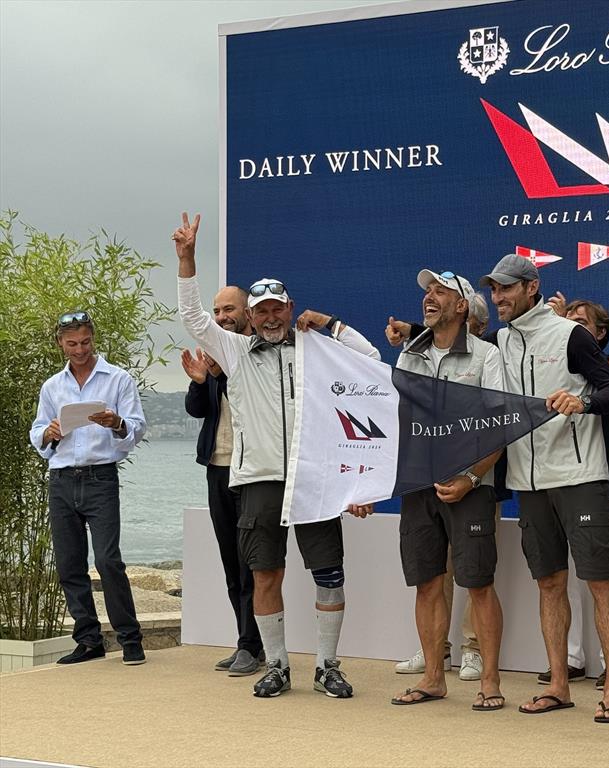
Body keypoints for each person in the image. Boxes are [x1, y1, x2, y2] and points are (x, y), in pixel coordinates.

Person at [174, 212, 379, 700]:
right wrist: (186, 259)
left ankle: (329, 666)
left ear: (290, 309)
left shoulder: (315, 348)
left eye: (277, 309)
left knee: (329, 575)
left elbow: (370, 360)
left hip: (314, 481)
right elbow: (192, 318)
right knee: (266, 574)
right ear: (251, 316)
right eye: (261, 310)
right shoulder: (236, 351)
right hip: (260, 481)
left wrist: (330, 323)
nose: (269, 317)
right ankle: (279, 666)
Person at [479, 254, 609, 722]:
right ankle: (559, 685)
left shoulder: (570, 334)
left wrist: (580, 400)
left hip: (580, 476)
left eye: (506, 289)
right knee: (548, 583)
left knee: (600, 583)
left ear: (531, 286)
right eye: (494, 291)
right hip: (528, 481)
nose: (498, 298)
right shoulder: (498, 341)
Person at [389, 269, 505, 711]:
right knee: (426, 584)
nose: (429, 297)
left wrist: (471, 478)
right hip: (419, 485)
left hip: (471, 485)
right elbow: (400, 421)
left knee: (478, 584)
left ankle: (490, 682)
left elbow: (499, 425)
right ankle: (433, 678)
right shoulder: (409, 355)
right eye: (427, 291)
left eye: (441, 291)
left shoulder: (486, 355)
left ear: (462, 306)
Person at [30, 311, 147, 666]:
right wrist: (48, 433)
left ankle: (130, 639)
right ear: (60, 344)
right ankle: (88, 640)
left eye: (85, 342)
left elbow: (137, 428)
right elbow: (37, 431)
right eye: (72, 344)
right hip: (62, 479)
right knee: (69, 564)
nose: (79, 350)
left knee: (108, 560)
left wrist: (117, 423)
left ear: (93, 339)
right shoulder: (52, 386)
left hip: (100, 477)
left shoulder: (118, 379)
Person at [535, 296, 609, 689]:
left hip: (603, 487)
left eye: (579, 322)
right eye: (566, 321)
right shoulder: (560, 371)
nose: (571, 328)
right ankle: (572, 660)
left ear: (600, 332)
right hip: (559, 484)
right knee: (564, 581)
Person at [182, 285, 265, 676]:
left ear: (248, 311)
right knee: (231, 561)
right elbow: (197, 410)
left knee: (253, 563)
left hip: (251, 471)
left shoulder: (254, 355)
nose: (221, 316)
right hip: (217, 466)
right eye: (216, 310)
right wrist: (201, 380)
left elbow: (254, 403)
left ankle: (254, 644)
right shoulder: (216, 354)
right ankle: (246, 642)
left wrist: (224, 374)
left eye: (228, 308)